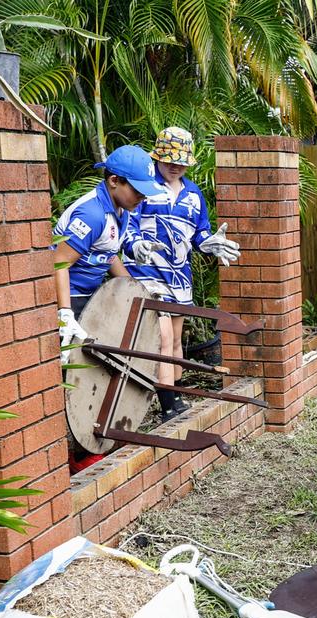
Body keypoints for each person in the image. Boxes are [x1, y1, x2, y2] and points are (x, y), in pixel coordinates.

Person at [124, 127, 241, 421]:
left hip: (179, 278)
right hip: (148, 273)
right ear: (158, 157)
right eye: (169, 160)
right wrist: (135, 244)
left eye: (181, 161)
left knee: (176, 341)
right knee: (163, 340)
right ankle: (167, 407)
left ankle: (175, 397)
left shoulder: (193, 193)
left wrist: (209, 244)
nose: (175, 165)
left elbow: (199, 234)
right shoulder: (146, 185)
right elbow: (128, 223)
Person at [52, 145, 166, 363]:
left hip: (91, 295)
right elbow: (59, 263)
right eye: (137, 190)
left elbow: (109, 255)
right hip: (69, 297)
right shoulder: (92, 214)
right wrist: (64, 313)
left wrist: (137, 289)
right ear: (114, 181)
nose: (142, 197)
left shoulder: (122, 209)